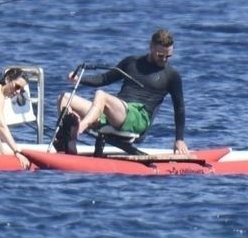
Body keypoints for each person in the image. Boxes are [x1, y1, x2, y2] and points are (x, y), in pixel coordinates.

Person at [56, 29, 188, 153]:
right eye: (160, 55)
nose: (164, 59)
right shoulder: (132, 62)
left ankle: (80, 128)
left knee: (101, 95)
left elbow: (179, 108)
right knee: (64, 98)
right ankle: (70, 143)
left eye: (168, 56)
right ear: (151, 47)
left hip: (138, 117)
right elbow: (104, 78)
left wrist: (179, 139)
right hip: (117, 112)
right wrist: (79, 79)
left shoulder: (172, 75)